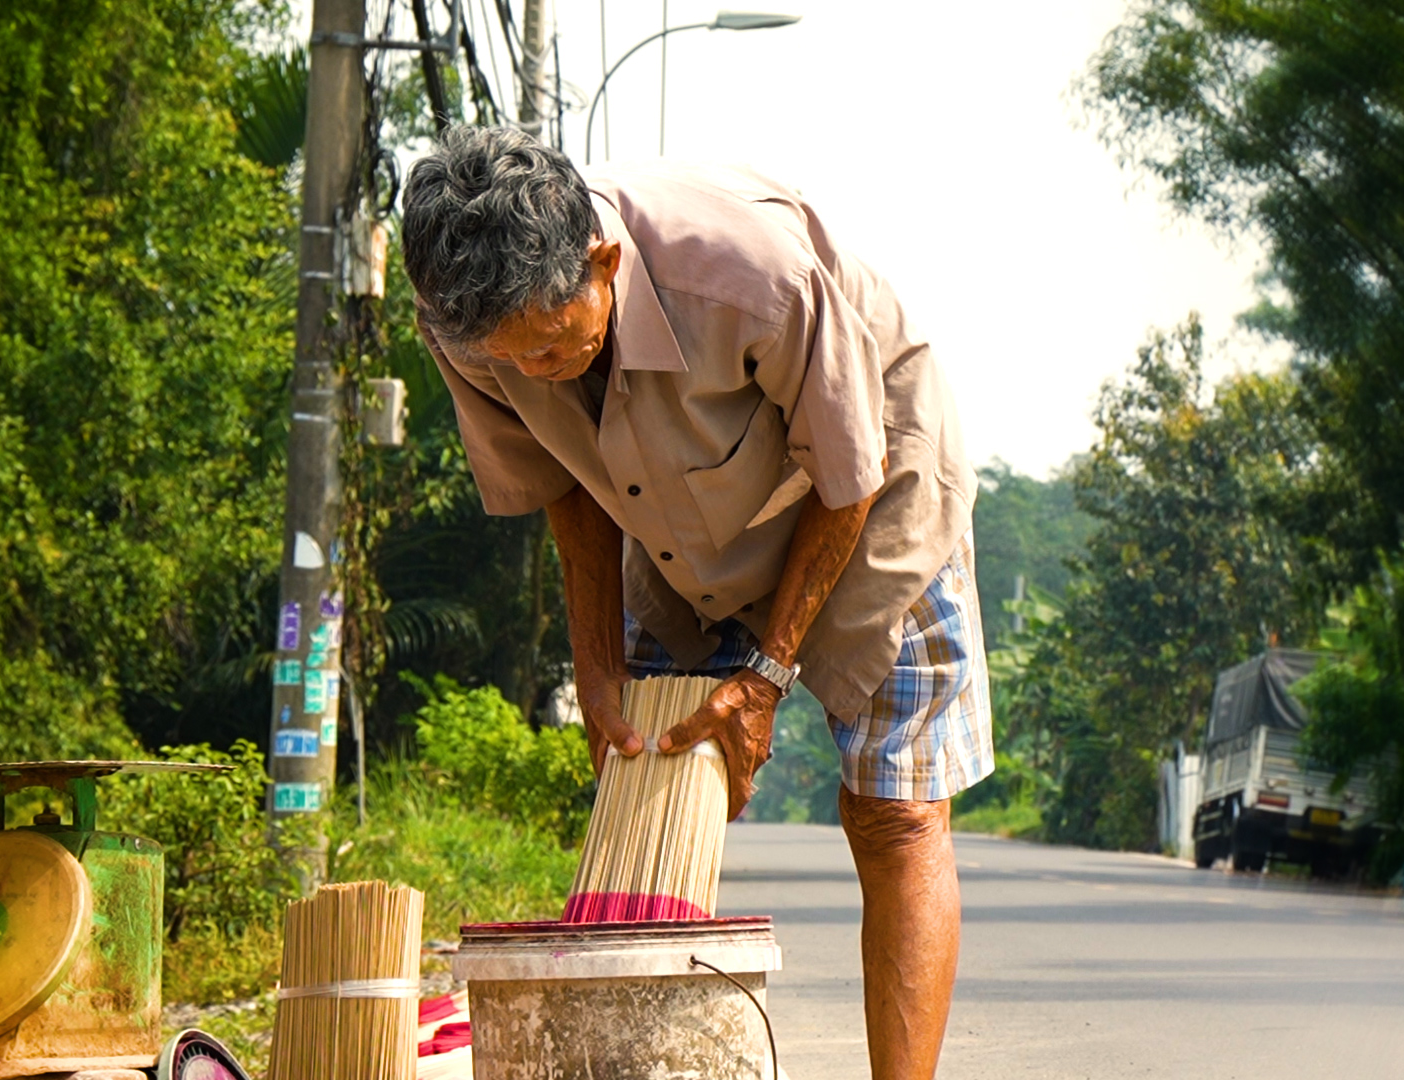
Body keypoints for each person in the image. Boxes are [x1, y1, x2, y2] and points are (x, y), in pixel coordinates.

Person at [399, 126, 991, 1080]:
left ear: (602, 261)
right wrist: (596, 667)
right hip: (672, 506)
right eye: (517, 359)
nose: (542, 368)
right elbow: (560, 484)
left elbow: (849, 471)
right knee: (649, 774)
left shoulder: (745, 270)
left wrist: (765, 677)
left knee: (893, 815)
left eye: (558, 340)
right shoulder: (466, 326)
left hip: (870, 487)